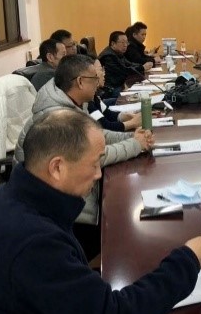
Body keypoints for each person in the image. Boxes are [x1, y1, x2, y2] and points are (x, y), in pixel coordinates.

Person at [0, 110, 201, 314]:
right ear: (57, 168)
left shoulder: (8, 195)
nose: (98, 174)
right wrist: (189, 261)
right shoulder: (34, 243)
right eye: (95, 163)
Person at [15, 55, 154, 257]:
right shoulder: (57, 116)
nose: (98, 83)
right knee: (125, 228)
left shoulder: (73, 103)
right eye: (94, 79)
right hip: (60, 215)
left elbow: (95, 137)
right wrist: (135, 145)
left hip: (68, 198)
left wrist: (131, 137)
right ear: (80, 82)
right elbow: (93, 158)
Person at [87, 57, 142, 132]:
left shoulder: (94, 96)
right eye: (101, 69)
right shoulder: (86, 100)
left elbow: (108, 114)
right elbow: (104, 127)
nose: (104, 73)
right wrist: (132, 123)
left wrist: (123, 116)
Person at [99, 30, 153, 96]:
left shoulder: (117, 53)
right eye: (122, 42)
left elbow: (129, 64)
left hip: (120, 85)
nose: (125, 45)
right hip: (111, 89)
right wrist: (142, 67)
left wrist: (143, 66)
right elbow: (124, 70)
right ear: (113, 44)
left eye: (126, 42)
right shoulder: (108, 57)